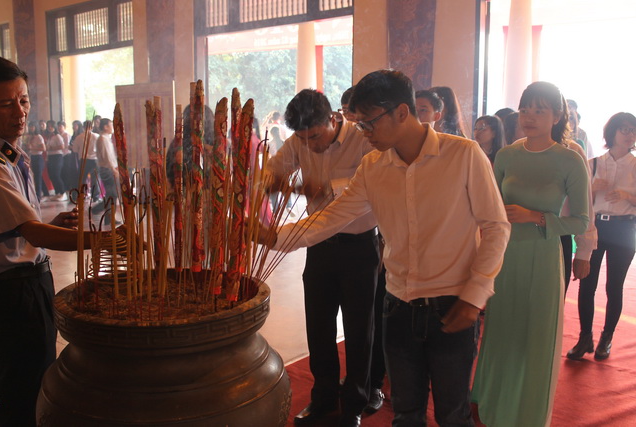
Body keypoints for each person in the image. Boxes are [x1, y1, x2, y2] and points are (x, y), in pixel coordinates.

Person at [265, 70, 510, 426]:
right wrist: (273, 237)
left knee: (452, 414)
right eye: (359, 124)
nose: (364, 132)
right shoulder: (373, 166)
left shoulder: (463, 155)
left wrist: (475, 295)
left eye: (369, 123)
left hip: (451, 301)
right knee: (406, 413)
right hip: (398, 305)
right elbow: (332, 217)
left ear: (401, 112)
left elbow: (496, 226)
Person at [471, 82, 589, 427]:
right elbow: (489, 206)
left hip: (543, 256)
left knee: (536, 339)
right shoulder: (507, 156)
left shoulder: (570, 159)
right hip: (505, 256)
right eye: (525, 110)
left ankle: (527, 415)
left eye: (539, 110)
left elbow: (580, 221)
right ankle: (492, 407)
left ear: (557, 116)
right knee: (501, 333)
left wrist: (535, 217)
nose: (530, 117)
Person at [266, 89, 379, 427]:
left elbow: (365, 191)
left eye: (314, 137)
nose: (309, 146)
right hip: (319, 244)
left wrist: (316, 186)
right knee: (318, 325)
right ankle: (324, 397)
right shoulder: (300, 141)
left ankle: (355, 402)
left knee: (359, 328)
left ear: (332, 119)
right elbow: (273, 170)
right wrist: (268, 180)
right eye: (302, 139)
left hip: (359, 245)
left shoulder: (363, 140)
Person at [0, 56, 97, 426]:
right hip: (13, 292)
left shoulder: (12, 157)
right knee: (24, 388)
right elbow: (33, 233)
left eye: (23, 100)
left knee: (35, 375)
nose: (20, 112)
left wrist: (51, 224)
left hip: (29, 283)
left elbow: (18, 229)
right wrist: (103, 240)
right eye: (5, 104)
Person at [567, 112, 636, 361]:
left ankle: (607, 337)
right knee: (587, 282)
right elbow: (576, 199)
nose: (629, 135)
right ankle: (585, 337)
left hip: (624, 229)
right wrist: (592, 188)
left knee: (614, 286)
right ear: (612, 132)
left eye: (633, 130)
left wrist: (628, 196)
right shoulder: (593, 163)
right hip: (595, 226)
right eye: (624, 129)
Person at [95, 118, 119, 226]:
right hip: (107, 169)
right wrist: (113, 169)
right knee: (112, 194)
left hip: (109, 168)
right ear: (105, 127)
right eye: (111, 125)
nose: (112, 127)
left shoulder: (105, 138)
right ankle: (108, 217)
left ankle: (107, 216)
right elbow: (107, 156)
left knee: (112, 194)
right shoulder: (102, 139)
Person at [71, 120, 100, 201]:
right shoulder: (97, 136)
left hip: (83, 160)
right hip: (94, 160)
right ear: (92, 127)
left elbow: (75, 150)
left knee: (82, 179)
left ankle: (80, 195)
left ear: (83, 127)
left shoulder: (79, 137)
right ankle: (95, 197)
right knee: (95, 179)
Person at [46, 120, 68, 201]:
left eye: (51, 126)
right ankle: (57, 192)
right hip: (50, 157)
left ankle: (63, 192)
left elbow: (62, 146)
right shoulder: (50, 137)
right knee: (51, 175)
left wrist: (52, 148)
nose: (50, 128)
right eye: (48, 126)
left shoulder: (57, 136)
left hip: (57, 157)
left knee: (56, 175)